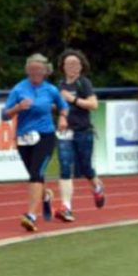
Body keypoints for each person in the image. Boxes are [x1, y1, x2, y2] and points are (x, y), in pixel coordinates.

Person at [2, 54, 69, 232]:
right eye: (32, 70)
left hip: (46, 136)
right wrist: (17, 108)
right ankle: (46, 196)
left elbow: (63, 106)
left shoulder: (51, 90)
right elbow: (4, 115)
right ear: (27, 70)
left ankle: (31, 215)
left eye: (39, 70)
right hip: (24, 138)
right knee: (35, 174)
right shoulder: (18, 89)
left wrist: (62, 118)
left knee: (36, 174)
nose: (35, 73)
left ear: (46, 71)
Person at [54, 49, 105, 223]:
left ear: (81, 66)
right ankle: (66, 207)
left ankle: (97, 187)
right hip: (65, 132)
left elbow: (94, 104)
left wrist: (73, 100)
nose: (72, 67)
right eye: (69, 64)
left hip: (83, 131)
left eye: (75, 64)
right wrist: (58, 109)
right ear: (63, 67)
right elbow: (55, 107)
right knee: (65, 167)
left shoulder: (84, 84)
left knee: (85, 169)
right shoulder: (59, 85)